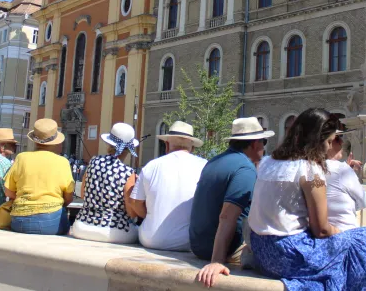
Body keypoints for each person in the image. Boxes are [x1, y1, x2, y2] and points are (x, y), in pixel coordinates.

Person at [240, 109, 366, 291]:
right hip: (289, 254)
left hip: (261, 250)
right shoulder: (310, 170)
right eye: (328, 141)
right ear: (316, 140)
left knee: (353, 248)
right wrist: (341, 234)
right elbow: (321, 229)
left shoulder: (267, 163)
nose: (330, 147)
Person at [191, 117, 271, 284]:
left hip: (197, 245)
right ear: (255, 143)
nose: (264, 147)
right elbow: (227, 216)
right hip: (225, 250)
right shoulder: (245, 169)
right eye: (264, 141)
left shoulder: (214, 161)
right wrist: (217, 261)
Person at [130, 121, 207, 251]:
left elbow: (135, 202)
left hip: (150, 239)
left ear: (166, 145)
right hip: (188, 241)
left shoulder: (151, 166)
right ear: (192, 148)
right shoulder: (205, 166)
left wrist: (153, 216)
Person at [4, 119, 74, 235]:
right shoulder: (63, 162)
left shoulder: (21, 158)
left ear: (34, 141)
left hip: (20, 221)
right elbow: (69, 198)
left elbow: (8, 192)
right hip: (52, 222)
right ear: (56, 142)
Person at [72, 123, 139, 244]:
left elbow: (82, 194)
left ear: (109, 143)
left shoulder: (93, 162)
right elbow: (131, 211)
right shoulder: (128, 173)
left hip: (81, 226)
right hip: (114, 230)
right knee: (139, 231)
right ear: (129, 149)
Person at [325, 133, 366, 231]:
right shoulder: (341, 169)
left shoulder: (311, 167)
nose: (342, 141)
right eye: (338, 139)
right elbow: (363, 201)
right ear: (328, 143)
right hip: (344, 231)